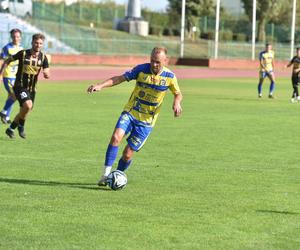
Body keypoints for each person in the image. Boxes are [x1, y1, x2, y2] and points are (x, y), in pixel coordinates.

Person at [87, 47, 183, 186]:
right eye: (152, 61)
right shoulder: (141, 70)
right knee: (115, 137)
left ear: (165, 61)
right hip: (131, 112)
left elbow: (178, 93)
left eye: (157, 62)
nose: (154, 65)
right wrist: (101, 85)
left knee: (127, 154)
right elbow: (120, 78)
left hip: (146, 122)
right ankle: (105, 175)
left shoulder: (170, 77)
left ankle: (116, 176)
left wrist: (177, 102)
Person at [0, 33, 50, 139]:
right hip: (20, 86)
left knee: (26, 109)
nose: (38, 45)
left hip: (32, 89)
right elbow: (8, 60)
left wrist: (46, 74)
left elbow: (47, 70)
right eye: (36, 43)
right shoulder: (23, 54)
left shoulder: (43, 57)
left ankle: (11, 128)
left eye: (40, 43)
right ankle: (21, 126)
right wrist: (2, 72)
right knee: (27, 105)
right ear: (32, 42)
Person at [0, 28, 23, 124]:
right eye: (14, 36)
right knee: (15, 95)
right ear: (11, 37)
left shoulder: (21, 49)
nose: (15, 38)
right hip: (8, 75)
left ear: (20, 37)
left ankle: (6, 117)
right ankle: (3, 112)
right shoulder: (7, 47)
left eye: (17, 36)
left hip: (16, 76)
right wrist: (0, 74)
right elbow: (3, 61)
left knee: (11, 97)